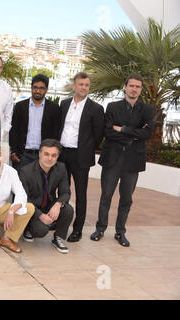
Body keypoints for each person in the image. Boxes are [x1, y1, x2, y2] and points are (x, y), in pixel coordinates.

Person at [91, 73, 154, 247]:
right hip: (113, 159)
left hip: (133, 162)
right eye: (131, 85)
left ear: (141, 90)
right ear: (125, 87)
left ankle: (120, 232)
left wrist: (123, 129)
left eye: (138, 86)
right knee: (106, 196)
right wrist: (132, 135)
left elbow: (147, 133)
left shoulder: (147, 110)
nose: (134, 89)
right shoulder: (112, 107)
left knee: (126, 199)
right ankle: (100, 228)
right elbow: (108, 132)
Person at [58, 72, 105, 242]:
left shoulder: (96, 108)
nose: (84, 88)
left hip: (81, 156)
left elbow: (98, 135)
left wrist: (86, 148)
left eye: (86, 85)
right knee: (61, 190)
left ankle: (77, 229)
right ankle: (58, 222)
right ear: (74, 86)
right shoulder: (63, 104)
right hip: (62, 154)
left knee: (80, 193)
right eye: (81, 84)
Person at [19, 139, 74, 254]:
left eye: (54, 155)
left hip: (49, 204)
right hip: (33, 208)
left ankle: (58, 238)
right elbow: (23, 199)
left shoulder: (61, 168)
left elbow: (66, 192)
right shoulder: (26, 171)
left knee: (68, 209)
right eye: (46, 154)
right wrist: (39, 215)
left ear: (57, 156)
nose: (49, 158)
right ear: (40, 154)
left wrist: (58, 204)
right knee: (41, 230)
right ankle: (28, 229)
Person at [9, 74, 61, 170]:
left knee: (42, 185)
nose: (38, 91)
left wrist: (52, 155)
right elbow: (13, 130)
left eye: (41, 88)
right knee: (20, 184)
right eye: (35, 87)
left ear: (46, 89)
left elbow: (56, 133)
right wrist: (13, 152)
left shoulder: (54, 108)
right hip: (22, 155)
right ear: (31, 88)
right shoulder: (20, 106)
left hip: (44, 156)